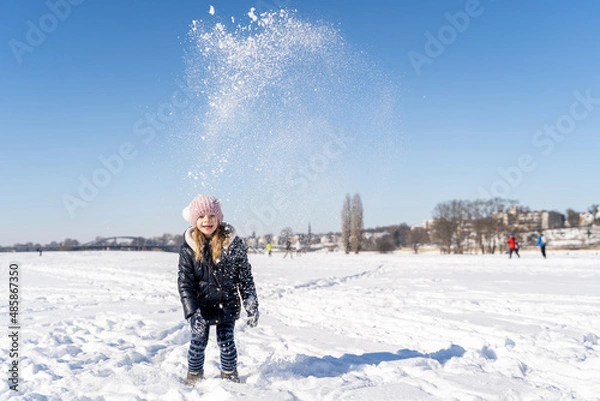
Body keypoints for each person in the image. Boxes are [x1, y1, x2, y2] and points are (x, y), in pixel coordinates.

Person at [177, 195, 259, 385]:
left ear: (219, 218)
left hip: (227, 303)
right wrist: (192, 312)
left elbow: (244, 276)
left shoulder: (233, 243)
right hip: (201, 305)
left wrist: (251, 301)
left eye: (212, 215)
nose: (207, 221)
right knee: (198, 342)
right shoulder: (188, 248)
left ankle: (229, 376)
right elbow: (185, 283)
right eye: (201, 216)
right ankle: (194, 376)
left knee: (226, 342)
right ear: (194, 220)